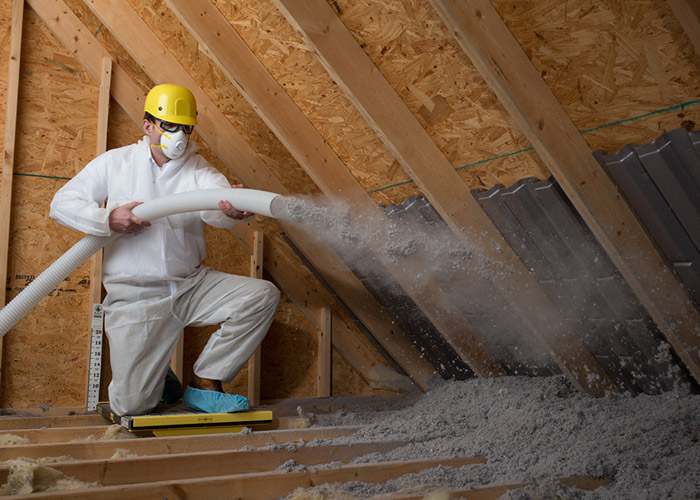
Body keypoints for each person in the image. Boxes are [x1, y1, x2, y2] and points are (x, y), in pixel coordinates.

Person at [50, 83, 281, 416]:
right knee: (131, 406)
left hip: (191, 285)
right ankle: (156, 378)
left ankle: (205, 381)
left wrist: (232, 211)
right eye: (169, 126)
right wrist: (108, 218)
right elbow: (62, 204)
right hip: (136, 297)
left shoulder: (198, 169)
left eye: (185, 127)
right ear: (148, 126)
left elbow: (215, 206)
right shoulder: (116, 164)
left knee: (261, 296)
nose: (179, 136)